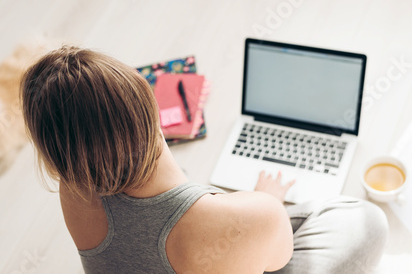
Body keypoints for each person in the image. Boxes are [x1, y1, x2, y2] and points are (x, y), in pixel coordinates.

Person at [20, 45, 389, 274]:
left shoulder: (74, 185)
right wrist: (262, 204)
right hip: (244, 234)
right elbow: (276, 262)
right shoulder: (254, 216)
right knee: (365, 219)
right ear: (150, 106)